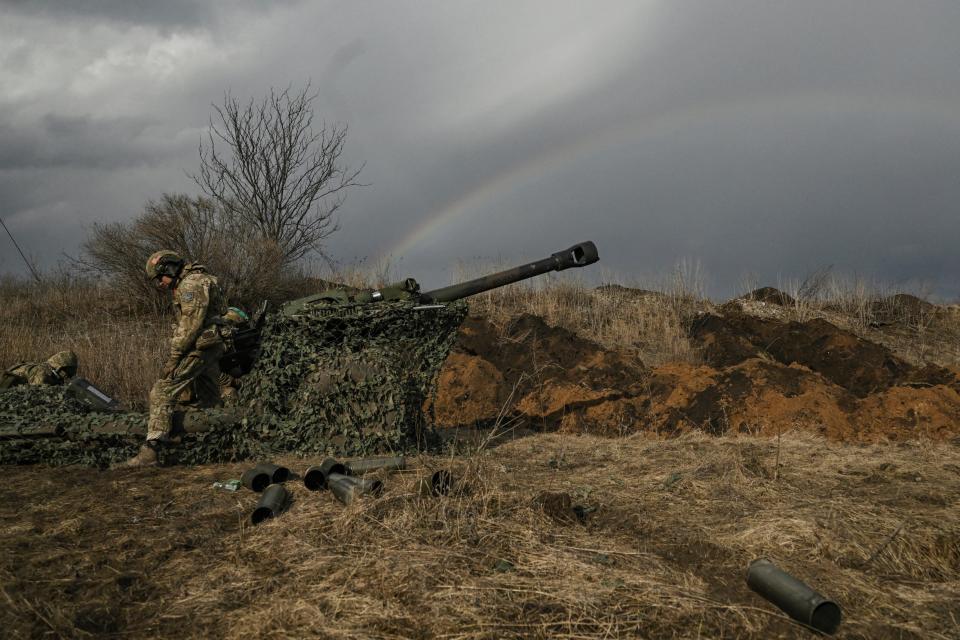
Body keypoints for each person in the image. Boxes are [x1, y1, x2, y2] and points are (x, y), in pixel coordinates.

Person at [118, 250, 227, 468]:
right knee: (209, 399)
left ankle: (152, 450)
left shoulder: (190, 285)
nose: (159, 284)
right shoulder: (197, 280)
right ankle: (217, 444)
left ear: (169, 268)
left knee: (162, 391)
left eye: (160, 278)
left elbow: (190, 327)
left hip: (198, 348)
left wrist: (174, 358)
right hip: (209, 346)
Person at [0, 350, 78, 389]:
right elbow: (38, 391)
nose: (69, 375)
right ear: (60, 367)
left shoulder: (51, 373)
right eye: (69, 371)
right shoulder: (42, 372)